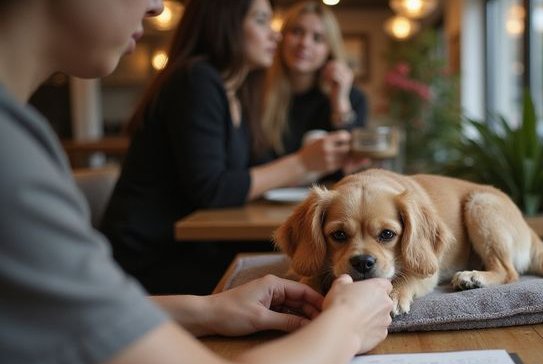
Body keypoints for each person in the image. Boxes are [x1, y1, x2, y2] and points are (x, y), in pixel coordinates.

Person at [0, 0, 394, 364]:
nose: (155, 6)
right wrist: (346, 323)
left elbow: (51, 322)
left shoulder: (21, 137)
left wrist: (205, 311)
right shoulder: (9, 164)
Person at [101, 0, 356, 295]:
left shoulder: (232, 91)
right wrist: (302, 163)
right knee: (310, 276)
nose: (275, 35)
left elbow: (238, 176)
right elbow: (213, 189)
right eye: (261, 20)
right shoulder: (195, 80)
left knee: (314, 265)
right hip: (150, 258)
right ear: (226, 23)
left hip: (191, 246)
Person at [263, 1, 368, 162]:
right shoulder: (258, 93)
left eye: (318, 38)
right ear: (282, 37)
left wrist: (340, 102)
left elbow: (353, 163)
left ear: (329, 50)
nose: (304, 43)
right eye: (297, 31)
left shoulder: (354, 98)